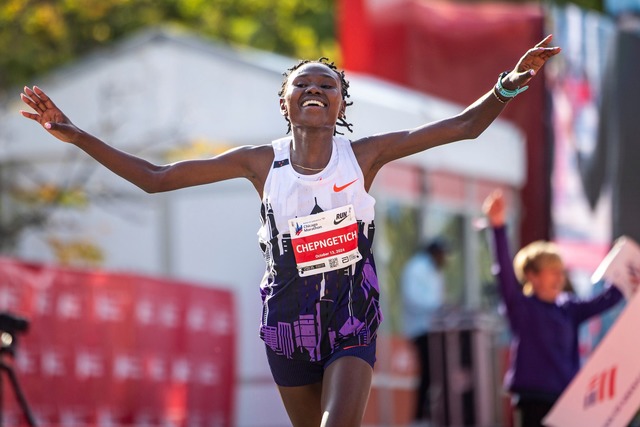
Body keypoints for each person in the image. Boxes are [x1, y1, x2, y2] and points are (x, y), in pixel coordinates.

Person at [19, 36, 560, 427]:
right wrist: (75, 136)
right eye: (303, 84)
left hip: (351, 316)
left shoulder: (364, 155)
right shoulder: (260, 162)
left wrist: (510, 83)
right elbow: (157, 179)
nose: (316, 90)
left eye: (328, 85)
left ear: (342, 104)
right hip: (286, 324)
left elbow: (464, 128)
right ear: (285, 102)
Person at [482, 189, 624, 427]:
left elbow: (607, 299)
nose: (560, 278)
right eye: (553, 272)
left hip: (566, 401)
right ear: (532, 276)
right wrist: (498, 226)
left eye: (561, 271)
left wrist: (627, 272)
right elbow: (503, 273)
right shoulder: (521, 308)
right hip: (532, 401)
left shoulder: (569, 307)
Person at [401, 238, 449, 426]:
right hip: (422, 330)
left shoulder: (434, 271)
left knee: (436, 375)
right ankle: (420, 418)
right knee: (428, 374)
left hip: (434, 330)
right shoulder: (417, 268)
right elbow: (414, 299)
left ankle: (429, 416)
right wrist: (439, 307)